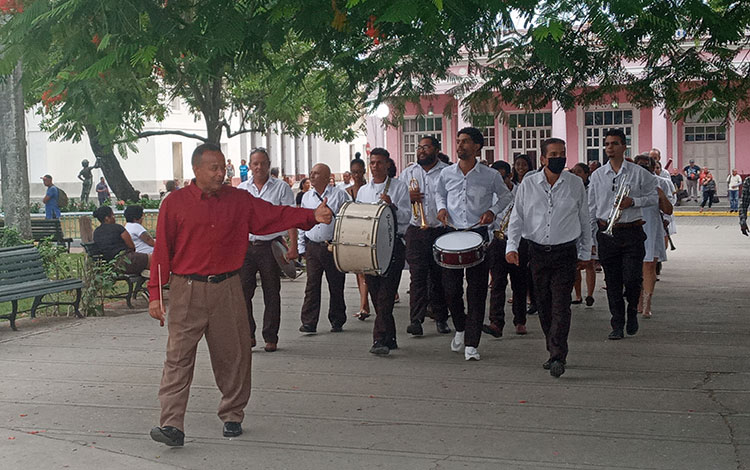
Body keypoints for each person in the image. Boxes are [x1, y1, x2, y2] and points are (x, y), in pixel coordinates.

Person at [147, 143, 332, 447]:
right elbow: (162, 250)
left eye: (223, 168)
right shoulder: (175, 203)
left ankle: (233, 413)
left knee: (234, 355)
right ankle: (171, 425)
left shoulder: (239, 200)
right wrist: (156, 294)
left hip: (228, 287)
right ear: (196, 170)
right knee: (177, 357)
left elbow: (273, 216)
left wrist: (311, 216)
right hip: (186, 289)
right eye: (214, 168)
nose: (222, 173)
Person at [506, 138, 591, 378]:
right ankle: (552, 346)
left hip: (565, 252)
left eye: (562, 153)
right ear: (543, 159)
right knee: (543, 304)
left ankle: (557, 355)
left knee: (561, 304)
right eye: (553, 154)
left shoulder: (575, 184)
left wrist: (586, 252)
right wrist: (511, 247)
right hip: (537, 251)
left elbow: (584, 220)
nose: (558, 158)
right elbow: (517, 218)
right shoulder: (528, 184)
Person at [435, 127, 512, 361]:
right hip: (452, 234)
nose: (460, 145)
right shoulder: (447, 173)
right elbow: (439, 194)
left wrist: (492, 211)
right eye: (458, 141)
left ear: (477, 146)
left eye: (465, 141)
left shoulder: (490, 175)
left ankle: (471, 343)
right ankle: (460, 326)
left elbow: (507, 197)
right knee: (450, 290)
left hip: (478, 235)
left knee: (477, 291)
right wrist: (441, 208)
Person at [588, 129, 657, 340]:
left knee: (632, 278)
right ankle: (617, 324)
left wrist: (633, 201)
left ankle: (631, 312)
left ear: (624, 146)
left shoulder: (639, 173)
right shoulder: (598, 175)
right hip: (607, 232)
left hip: (632, 232)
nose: (610, 147)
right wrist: (590, 237)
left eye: (615, 143)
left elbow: (654, 196)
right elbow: (591, 207)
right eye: (607, 144)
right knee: (613, 281)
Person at [237, 148, 297, 353]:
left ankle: (271, 336)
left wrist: (294, 246)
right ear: (249, 166)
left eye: (262, 163)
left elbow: (291, 218)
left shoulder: (281, 188)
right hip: (246, 247)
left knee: (271, 292)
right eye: (255, 163)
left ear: (268, 164)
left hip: (270, 246)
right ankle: (248, 334)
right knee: (243, 292)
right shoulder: (242, 190)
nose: (259, 167)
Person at [356, 148, 411, 355]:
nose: (375, 166)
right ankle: (390, 336)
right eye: (372, 163)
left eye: (379, 162)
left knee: (386, 294)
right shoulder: (363, 191)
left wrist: (392, 206)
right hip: (370, 246)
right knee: (375, 292)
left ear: (388, 164)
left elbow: (408, 216)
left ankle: (379, 339)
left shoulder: (399, 187)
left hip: (393, 245)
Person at [400, 136, 451, 336]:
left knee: (440, 277)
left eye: (426, 147)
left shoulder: (447, 171)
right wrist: (408, 196)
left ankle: (441, 318)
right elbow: (399, 200)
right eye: (419, 147)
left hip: (439, 230)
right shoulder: (409, 173)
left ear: (436, 150)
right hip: (416, 230)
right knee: (417, 277)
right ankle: (416, 320)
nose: (421, 151)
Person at [298, 163, 350, 334]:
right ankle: (308, 322)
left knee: (336, 284)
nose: (312, 176)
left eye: (316, 173)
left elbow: (348, 218)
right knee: (312, 285)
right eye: (311, 173)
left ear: (328, 177)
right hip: (313, 246)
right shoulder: (307, 197)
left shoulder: (339, 195)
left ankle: (337, 319)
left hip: (332, 246)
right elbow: (302, 222)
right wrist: (301, 246)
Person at [483, 160, 530, 338]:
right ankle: (496, 322)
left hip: (519, 242)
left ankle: (520, 320)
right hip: (498, 241)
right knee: (497, 284)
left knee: (519, 283)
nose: (498, 182)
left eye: (502, 178)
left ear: (510, 176)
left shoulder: (522, 191)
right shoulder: (492, 196)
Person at [633, 155, 673, 319]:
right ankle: (637, 299)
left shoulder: (661, 182)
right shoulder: (628, 182)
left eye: (646, 165)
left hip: (652, 227)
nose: (643, 168)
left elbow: (668, 210)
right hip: (632, 227)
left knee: (649, 265)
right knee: (635, 268)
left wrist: (661, 195)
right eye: (639, 165)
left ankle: (647, 303)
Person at [345, 158, 372, 320]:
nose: (356, 175)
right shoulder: (346, 191)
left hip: (368, 232)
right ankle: (364, 304)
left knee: (365, 271)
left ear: (364, 171)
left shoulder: (368, 190)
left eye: (359, 171)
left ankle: (364, 305)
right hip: (352, 232)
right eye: (354, 172)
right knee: (358, 271)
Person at [511, 154, 538, 315]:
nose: (520, 167)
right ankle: (526, 299)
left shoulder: (532, 182)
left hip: (530, 230)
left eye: (524, 164)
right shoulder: (511, 184)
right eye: (518, 164)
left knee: (531, 271)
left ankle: (534, 300)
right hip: (516, 232)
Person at [569, 163, 596, 307]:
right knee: (575, 264)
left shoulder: (591, 188)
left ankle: (590, 294)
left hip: (591, 227)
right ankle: (578, 295)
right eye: (574, 172)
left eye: (579, 172)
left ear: (586, 174)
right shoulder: (570, 188)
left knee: (590, 262)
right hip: (573, 228)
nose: (576, 174)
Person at [92, 206, 149, 274]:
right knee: (154, 259)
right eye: (113, 215)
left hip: (109, 264)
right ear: (107, 218)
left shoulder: (96, 232)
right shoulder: (118, 228)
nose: (114, 218)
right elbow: (131, 246)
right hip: (125, 261)